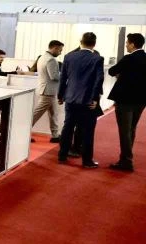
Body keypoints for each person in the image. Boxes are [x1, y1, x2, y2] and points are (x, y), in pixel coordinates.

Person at [57, 32, 104, 168]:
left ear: (80, 41)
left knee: (68, 127)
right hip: (87, 100)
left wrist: (60, 95)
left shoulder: (69, 56)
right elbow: (99, 80)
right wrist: (94, 98)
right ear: (94, 44)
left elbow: (63, 78)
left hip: (70, 99)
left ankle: (62, 155)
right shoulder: (97, 59)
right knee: (88, 131)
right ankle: (87, 161)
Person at [107, 33, 146, 172]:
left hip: (125, 100)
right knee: (131, 129)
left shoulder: (128, 58)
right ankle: (125, 158)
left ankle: (126, 161)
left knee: (124, 131)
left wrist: (122, 74)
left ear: (133, 44)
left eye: (127, 43)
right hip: (141, 100)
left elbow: (112, 71)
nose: (126, 45)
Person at [30, 40, 64, 142]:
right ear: (55, 48)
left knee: (53, 114)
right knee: (36, 114)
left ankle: (55, 135)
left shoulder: (42, 57)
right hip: (48, 91)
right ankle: (23, 132)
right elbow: (54, 76)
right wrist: (65, 75)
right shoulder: (51, 60)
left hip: (46, 90)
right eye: (60, 50)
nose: (60, 53)